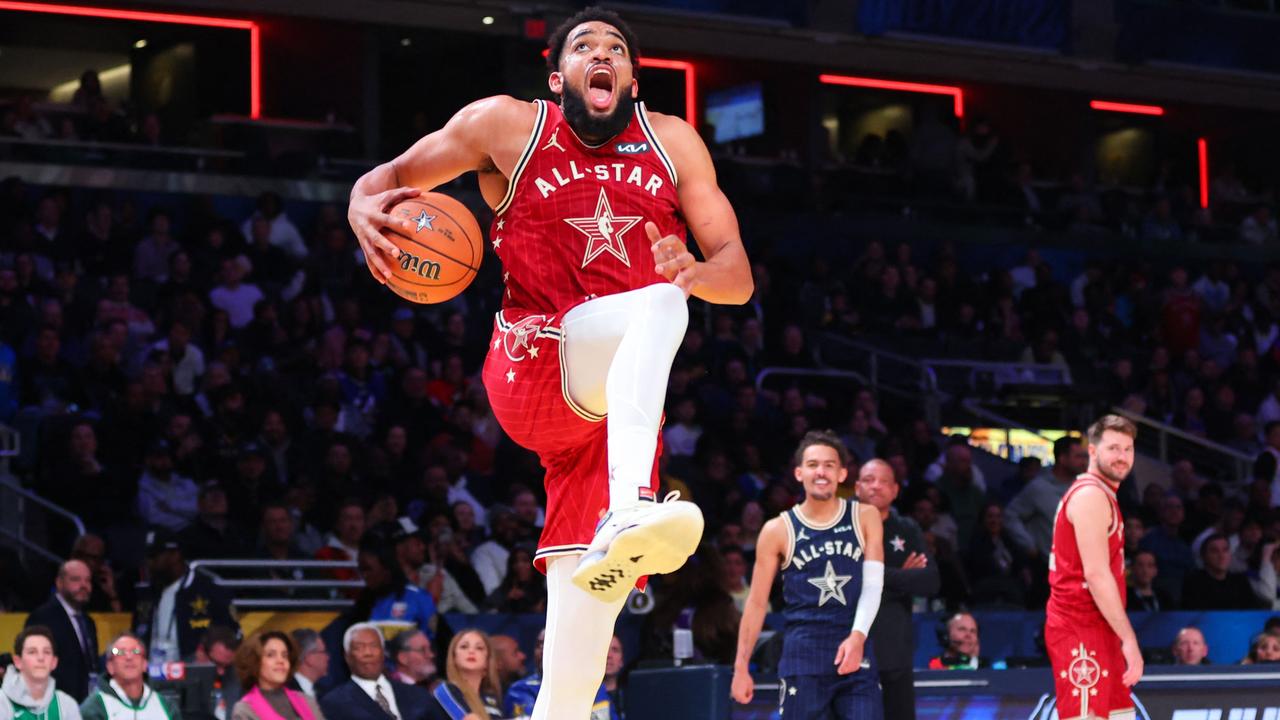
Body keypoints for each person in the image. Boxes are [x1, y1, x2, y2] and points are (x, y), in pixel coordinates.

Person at [346, 8, 751, 718]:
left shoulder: (674, 142)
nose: (604, 54)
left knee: (579, 658)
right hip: (534, 361)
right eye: (585, 45)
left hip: (610, 411)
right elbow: (387, 179)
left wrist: (694, 269)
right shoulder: (506, 125)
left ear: (631, 76)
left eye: (617, 48)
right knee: (661, 304)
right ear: (557, 73)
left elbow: (738, 276)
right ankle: (630, 512)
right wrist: (359, 205)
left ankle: (618, 531)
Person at [732, 431, 885, 718]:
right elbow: (755, 603)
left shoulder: (865, 516)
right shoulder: (777, 530)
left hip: (855, 650)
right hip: (803, 657)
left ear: (842, 474)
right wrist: (741, 668)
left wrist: (857, 636)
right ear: (799, 473)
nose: (821, 472)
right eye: (813, 464)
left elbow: (874, 586)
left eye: (829, 465)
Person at [1045, 415, 1143, 720]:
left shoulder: (1102, 494)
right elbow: (1096, 575)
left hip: (1100, 627)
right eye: (1113, 448)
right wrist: (1129, 639)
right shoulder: (1090, 495)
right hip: (1081, 629)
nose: (1122, 457)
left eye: (1128, 449)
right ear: (1093, 452)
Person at [856, 459, 938, 720]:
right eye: (869, 480)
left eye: (883, 481)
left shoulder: (907, 529)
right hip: (849, 648)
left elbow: (930, 582)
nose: (876, 486)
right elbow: (847, 581)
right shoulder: (842, 526)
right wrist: (902, 575)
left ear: (895, 490)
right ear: (857, 487)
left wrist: (873, 576)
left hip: (896, 650)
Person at [132, 529, 238, 665]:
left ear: (175, 555)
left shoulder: (209, 590)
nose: (149, 563)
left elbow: (233, 634)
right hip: (151, 673)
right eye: (147, 557)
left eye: (154, 557)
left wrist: (211, 656)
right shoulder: (146, 594)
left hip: (193, 675)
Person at [319, 623, 431, 720]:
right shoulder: (334, 702)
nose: (368, 653)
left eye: (374, 646)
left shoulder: (418, 694)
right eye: (359, 647)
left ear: (383, 653)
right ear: (347, 656)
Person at [24, 560, 98, 702]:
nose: (84, 586)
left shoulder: (88, 622)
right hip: (55, 704)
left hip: (85, 704)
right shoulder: (42, 617)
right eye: (76, 579)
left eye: (88, 580)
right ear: (59, 583)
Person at [80, 633, 182, 720]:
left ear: (145, 664)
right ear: (110, 666)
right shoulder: (94, 707)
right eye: (120, 652)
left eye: (136, 651)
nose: (129, 657)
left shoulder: (167, 706)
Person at [231, 631, 325, 719]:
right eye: (271, 655)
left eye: (284, 655)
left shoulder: (306, 700)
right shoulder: (245, 710)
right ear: (254, 661)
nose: (281, 661)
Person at [0, 627, 83, 720]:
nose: (41, 658)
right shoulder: (2, 703)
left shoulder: (67, 705)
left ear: (54, 662)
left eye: (46, 652)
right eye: (32, 652)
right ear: (18, 661)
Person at [425, 629, 504, 720]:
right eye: (464, 647)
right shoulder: (445, 690)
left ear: (487, 661)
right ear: (454, 658)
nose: (471, 651)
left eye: (479, 648)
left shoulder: (491, 698)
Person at [927, 613, 1000, 670]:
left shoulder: (986, 666)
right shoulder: (935, 664)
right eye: (962, 629)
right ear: (945, 635)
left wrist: (974, 660)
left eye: (973, 631)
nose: (968, 635)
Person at [289, 630, 331, 698]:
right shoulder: (286, 691)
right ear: (309, 658)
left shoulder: (324, 693)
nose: (328, 657)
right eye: (323, 652)